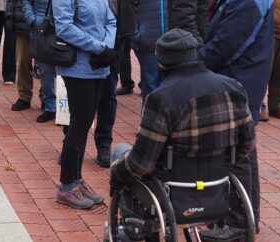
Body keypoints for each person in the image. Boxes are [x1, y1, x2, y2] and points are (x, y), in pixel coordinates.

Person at [109, 29, 255, 206]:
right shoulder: (233, 87)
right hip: (218, 179)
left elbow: (141, 163)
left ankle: (130, 230)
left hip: (174, 183)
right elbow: (247, 144)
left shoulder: (160, 98)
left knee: (121, 152)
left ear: (161, 63)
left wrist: (117, 174)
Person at [199, 0, 273, 240]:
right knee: (244, 150)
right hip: (240, 80)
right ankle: (245, 215)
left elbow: (225, 46)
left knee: (235, 153)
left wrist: (193, 66)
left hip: (237, 82)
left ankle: (239, 223)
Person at [55, 0, 138, 168]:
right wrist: (98, 46)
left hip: (112, 43)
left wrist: (111, 41)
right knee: (78, 110)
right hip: (81, 51)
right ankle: (72, 151)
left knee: (108, 97)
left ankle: (104, 145)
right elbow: (62, 14)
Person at [52, 0, 116, 210]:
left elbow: (110, 20)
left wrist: (106, 48)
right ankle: (67, 185)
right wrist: (97, 49)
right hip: (78, 67)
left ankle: (77, 181)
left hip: (99, 66)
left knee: (86, 123)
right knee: (78, 126)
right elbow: (64, 26)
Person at [21, 0, 68, 123]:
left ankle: (63, 106)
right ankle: (49, 106)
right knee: (46, 71)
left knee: (65, 70)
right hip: (42, 29)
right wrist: (34, 20)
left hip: (65, 28)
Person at [131, 0, 172, 98]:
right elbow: (131, 10)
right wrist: (137, 36)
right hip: (147, 43)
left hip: (170, 43)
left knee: (169, 85)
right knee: (150, 84)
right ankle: (148, 121)